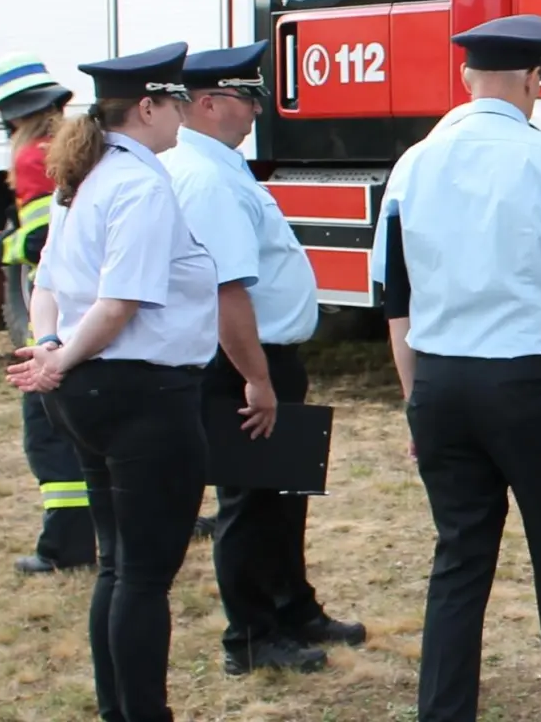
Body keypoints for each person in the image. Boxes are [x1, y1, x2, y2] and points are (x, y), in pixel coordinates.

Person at [371, 14, 541, 721]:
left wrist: (414, 404)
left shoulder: (414, 164)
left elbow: (397, 303)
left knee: (457, 564)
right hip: (529, 383)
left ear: (466, 77)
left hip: (442, 384)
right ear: (533, 79)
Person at [5, 41, 217, 722]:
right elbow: (119, 302)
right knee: (145, 577)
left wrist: (49, 349)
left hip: (90, 393)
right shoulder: (138, 183)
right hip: (141, 395)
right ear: (148, 106)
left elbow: (47, 290)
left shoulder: (84, 179)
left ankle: (117, 710)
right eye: (177, 102)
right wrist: (58, 358)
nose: (183, 116)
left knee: (118, 567)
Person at [160, 41, 365, 676]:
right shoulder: (205, 177)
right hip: (245, 363)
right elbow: (226, 292)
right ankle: (250, 636)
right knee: (250, 500)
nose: (256, 110)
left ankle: (291, 607)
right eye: (247, 97)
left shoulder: (219, 166)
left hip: (266, 357)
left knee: (284, 491)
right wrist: (256, 378)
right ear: (207, 102)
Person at [0, 51, 97, 575]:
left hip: (54, 316)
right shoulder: (77, 143)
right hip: (90, 309)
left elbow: (43, 238)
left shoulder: (31, 156)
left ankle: (64, 547)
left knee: (47, 431)